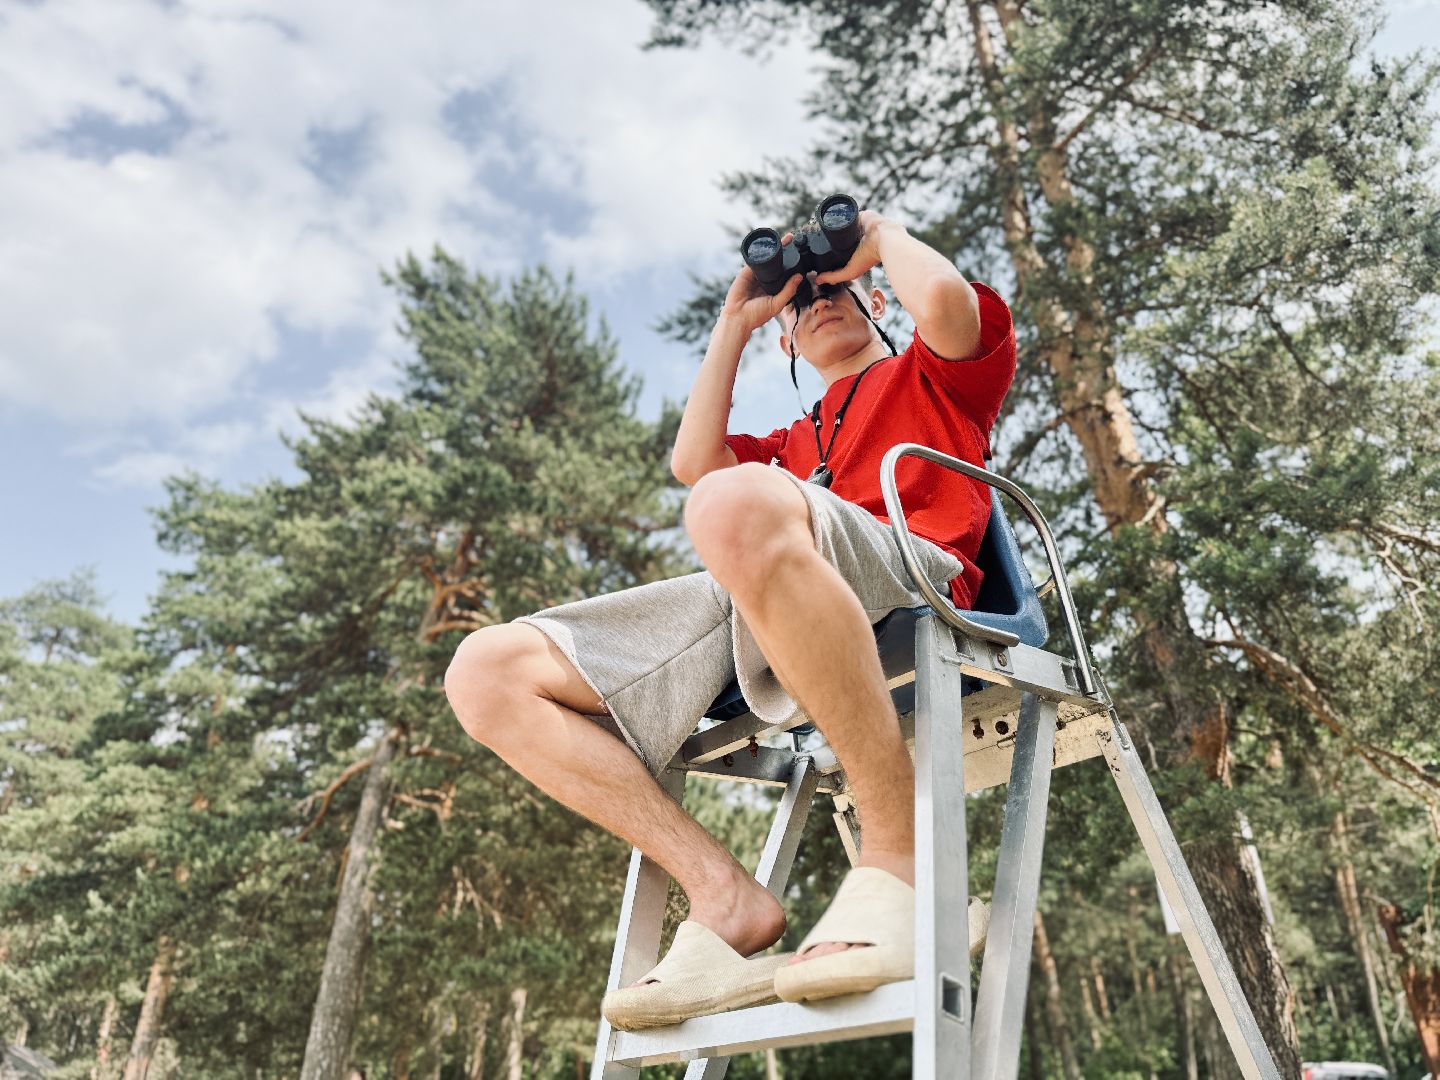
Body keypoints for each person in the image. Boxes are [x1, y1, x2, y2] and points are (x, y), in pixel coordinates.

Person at [443, 206, 1016, 1030]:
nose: (818, 298)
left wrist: (879, 237)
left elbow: (952, 310)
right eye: (800, 300)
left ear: (879, 302)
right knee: (487, 673)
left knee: (733, 502)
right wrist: (738, 317)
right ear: (784, 341)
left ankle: (899, 864)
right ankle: (722, 893)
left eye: (838, 288)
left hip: (907, 565)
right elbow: (691, 462)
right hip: (762, 567)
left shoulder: (934, 374)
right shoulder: (791, 442)